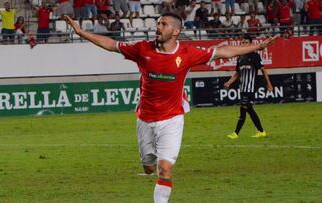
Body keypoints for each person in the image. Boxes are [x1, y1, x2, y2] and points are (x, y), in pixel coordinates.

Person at [64, 13, 276, 203]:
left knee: (164, 170)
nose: (158, 27)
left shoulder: (187, 54)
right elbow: (111, 44)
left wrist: (257, 47)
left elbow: (224, 52)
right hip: (145, 119)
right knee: (149, 167)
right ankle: (152, 162)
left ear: (176, 31)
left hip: (172, 119)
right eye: (157, 23)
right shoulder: (142, 49)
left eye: (163, 24)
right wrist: (81, 32)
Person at [224, 34, 273, 140]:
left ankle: (236, 133)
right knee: (249, 110)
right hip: (242, 89)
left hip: (250, 89)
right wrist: (229, 82)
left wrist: (269, 84)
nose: (244, 44)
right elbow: (237, 73)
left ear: (250, 44)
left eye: (246, 42)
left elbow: (263, 70)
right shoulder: (240, 57)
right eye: (243, 42)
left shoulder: (254, 56)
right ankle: (261, 131)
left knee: (243, 109)